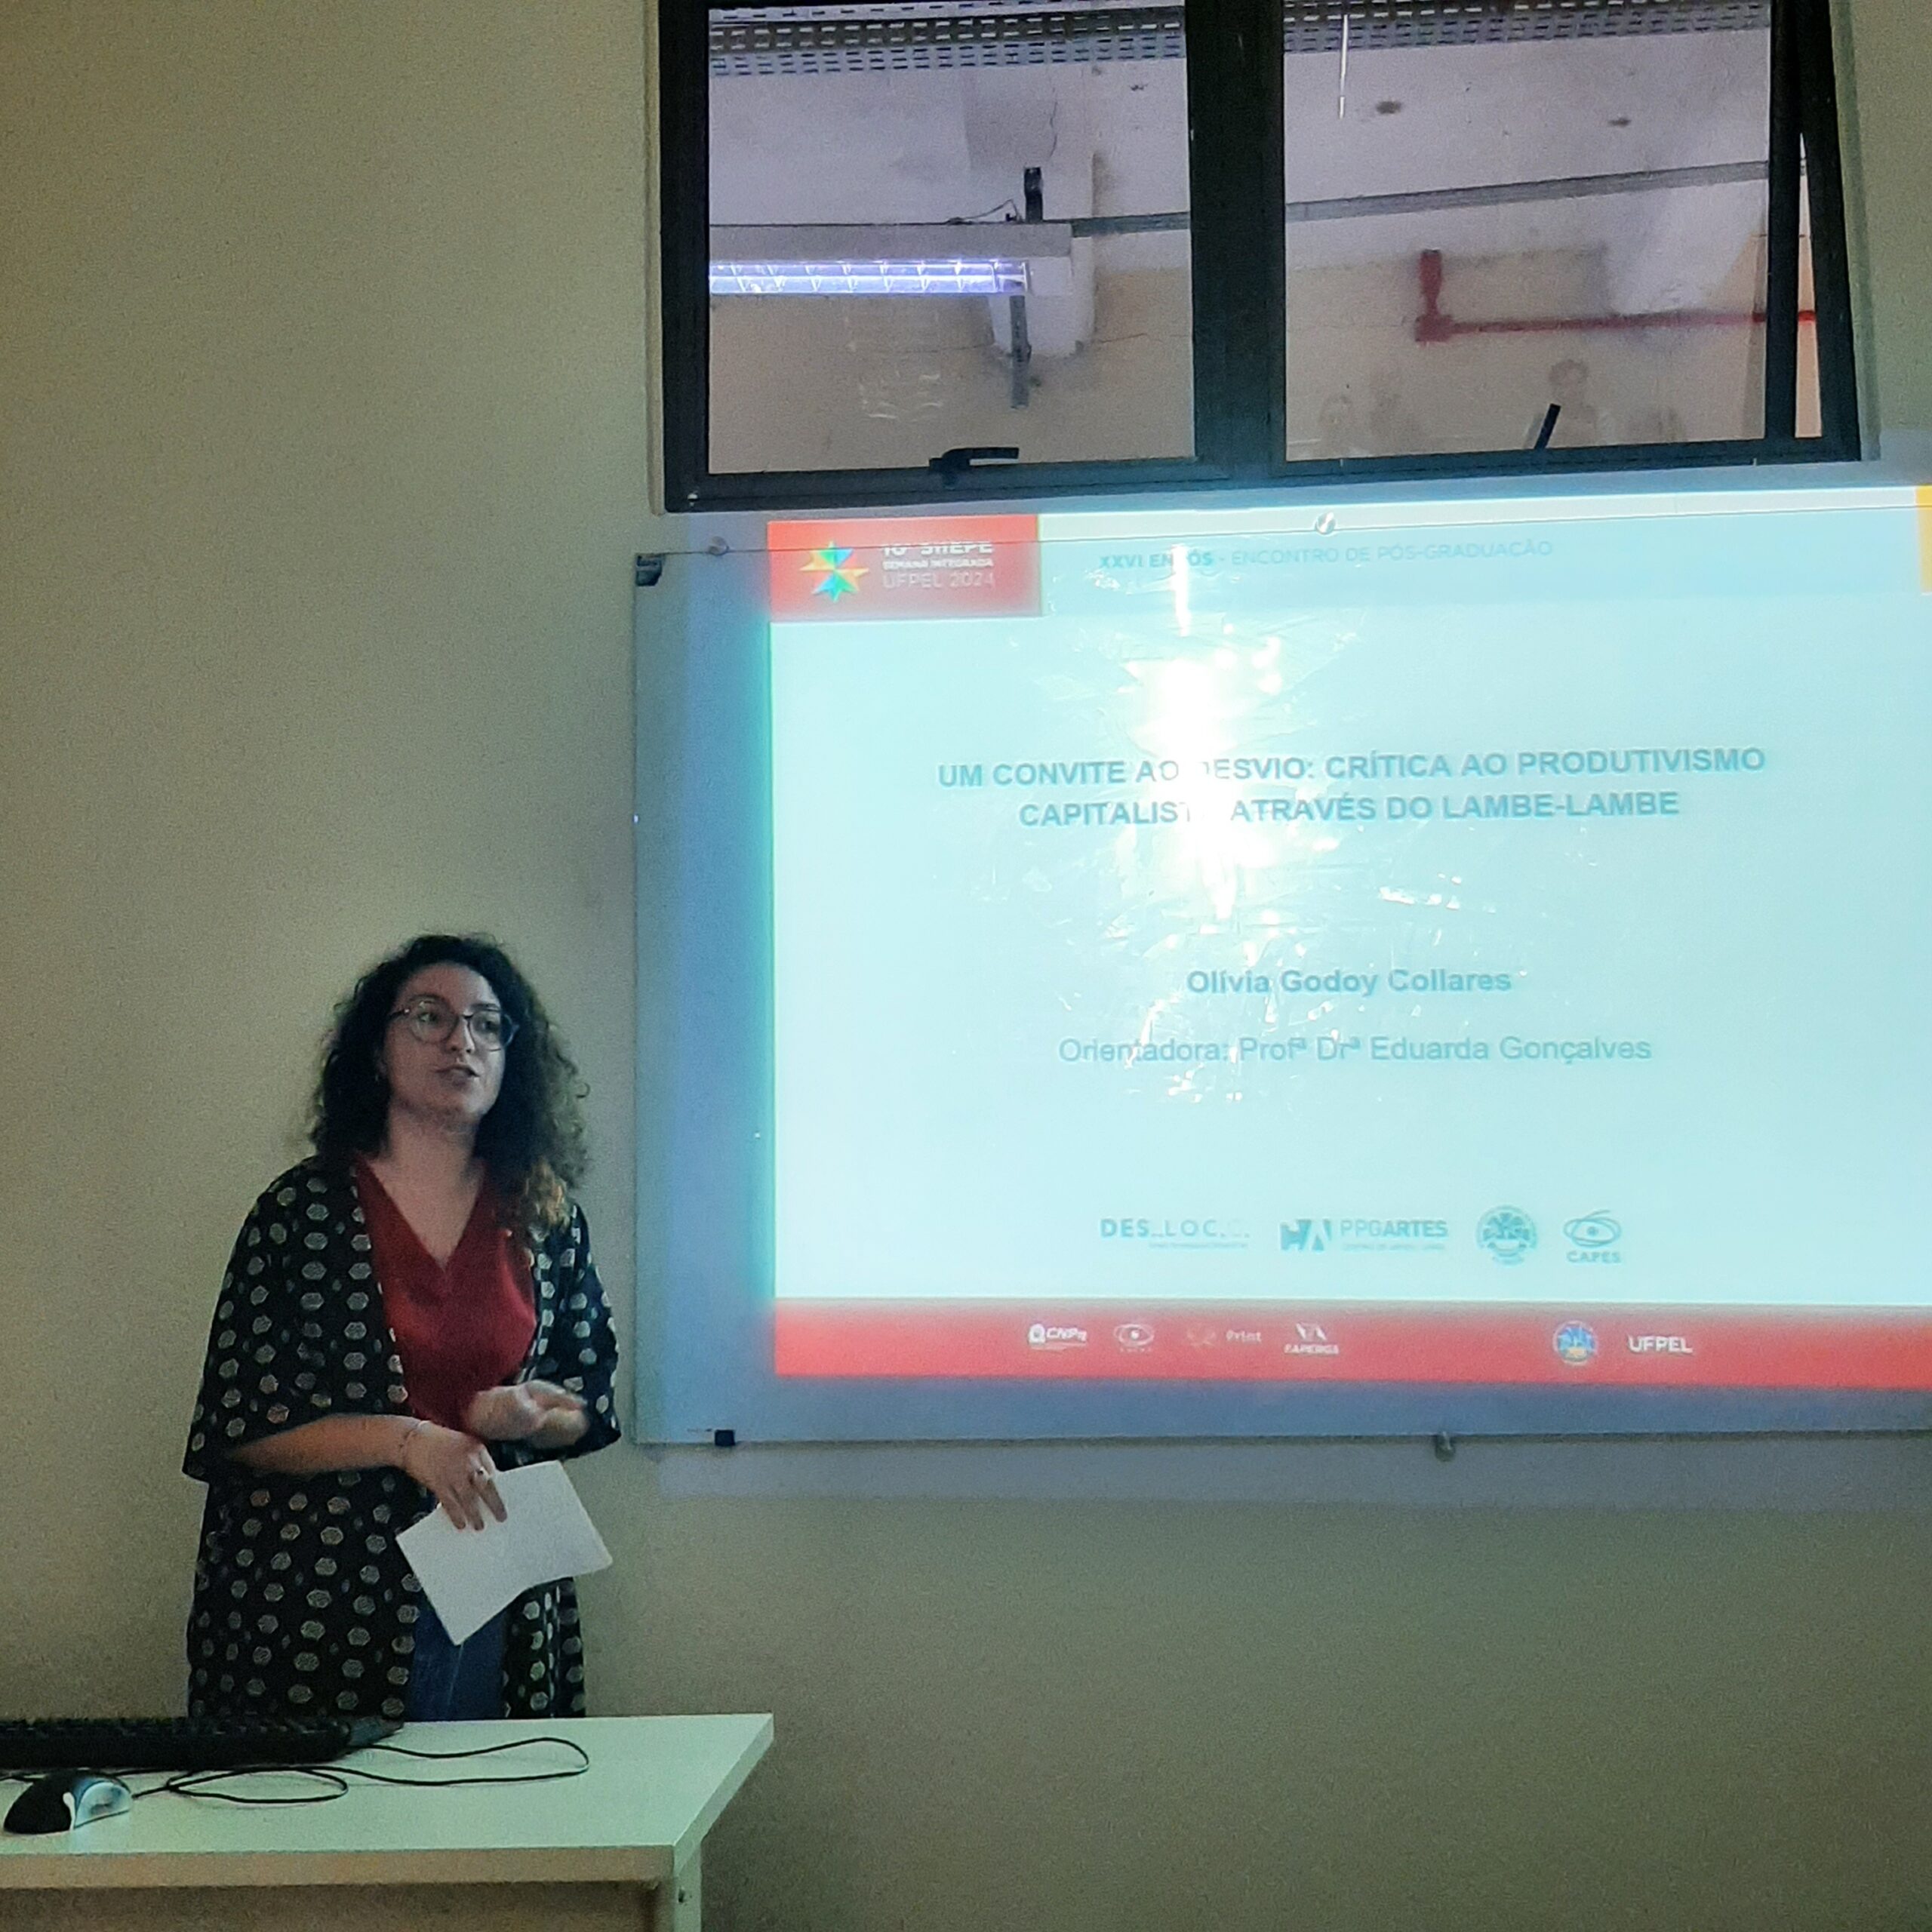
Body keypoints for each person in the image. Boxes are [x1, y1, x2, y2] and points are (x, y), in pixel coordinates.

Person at [183, 934, 620, 1722]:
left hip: (497, 1585)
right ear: (378, 1052)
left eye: (487, 1024)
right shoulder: (301, 1212)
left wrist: (529, 1416)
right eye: (429, 1017)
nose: (462, 1041)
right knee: (326, 1802)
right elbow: (239, 1423)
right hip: (318, 1592)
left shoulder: (544, 1212)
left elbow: (588, 1402)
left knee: (492, 1795)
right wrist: (407, 1440)